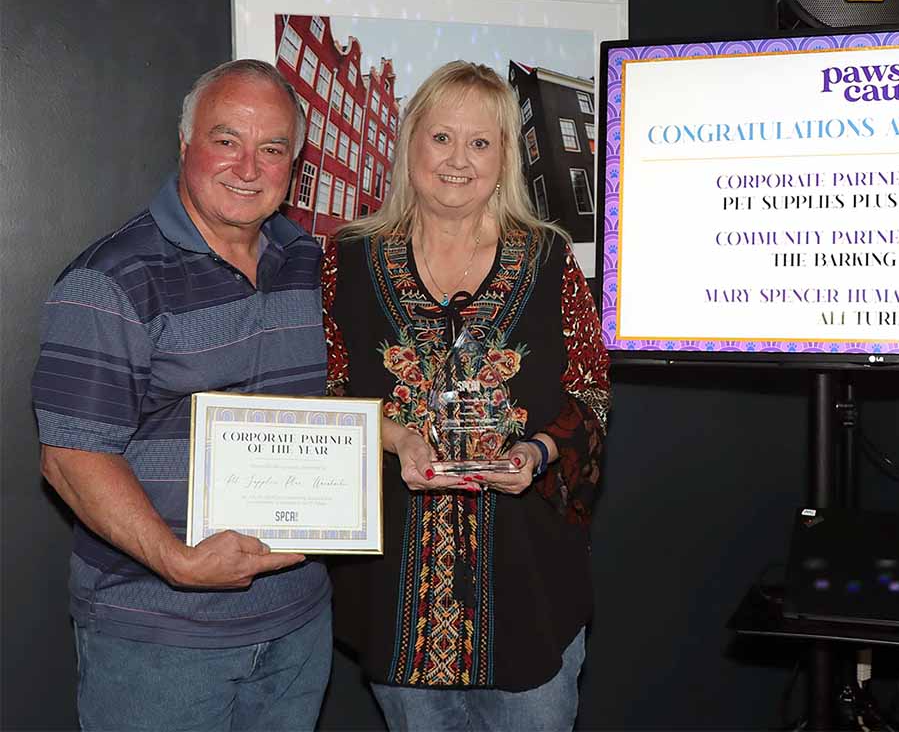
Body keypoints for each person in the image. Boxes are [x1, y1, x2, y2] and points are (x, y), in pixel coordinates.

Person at [32, 59, 332, 731]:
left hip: (298, 623)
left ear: (295, 164)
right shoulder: (112, 278)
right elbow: (72, 458)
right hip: (158, 636)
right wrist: (180, 563)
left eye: (273, 149)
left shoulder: (311, 264)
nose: (248, 167)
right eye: (227, 140)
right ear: (185, 145)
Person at [322, 60, 610, 731]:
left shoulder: (547, 259)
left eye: (480, 142)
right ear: (411, 143)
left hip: (530, 588)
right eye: (442, 138)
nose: (459, 159)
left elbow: (591, 394)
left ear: (505, 155)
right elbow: (325, 392)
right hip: (397, 596)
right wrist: (394, 439)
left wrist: (537, 454)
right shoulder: (349, 261)